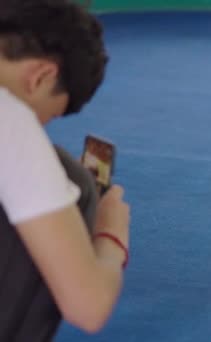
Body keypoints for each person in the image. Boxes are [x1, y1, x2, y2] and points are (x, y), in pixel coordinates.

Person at [0, 0, 130, 340]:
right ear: (42, 76)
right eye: (48, 115)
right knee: (76, 182)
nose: (40, 128)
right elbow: (89, 308)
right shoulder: (9, 117)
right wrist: (111, 231)